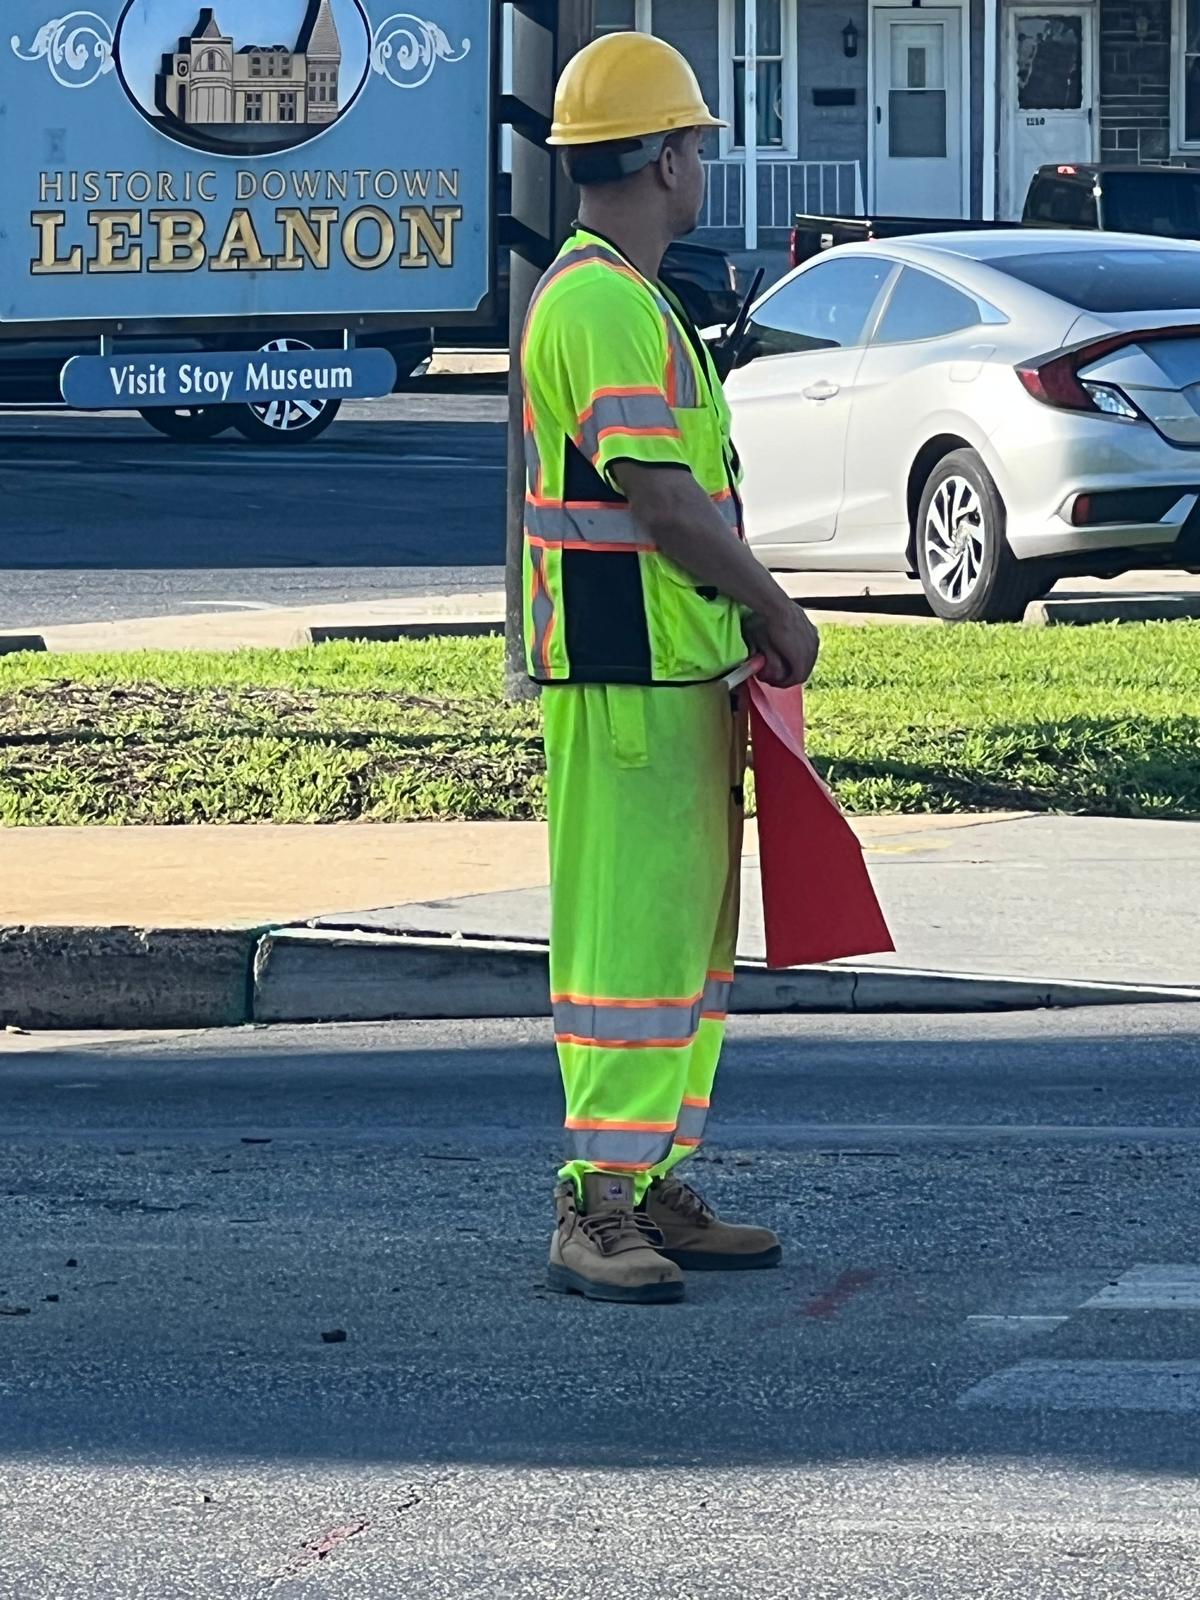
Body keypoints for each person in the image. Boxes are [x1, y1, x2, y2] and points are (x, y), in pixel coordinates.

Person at [521, 31, 820, 1305]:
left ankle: (645, 1185)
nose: (703, 163)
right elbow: (665, 505)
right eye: (694, 143)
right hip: (626, 683)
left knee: (678, 957)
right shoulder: (598, 305)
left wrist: (737, 631)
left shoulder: (637, 300)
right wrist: (778, 609)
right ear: (656, 157)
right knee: (626, 952)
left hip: (678, 679)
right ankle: (595, 1205)